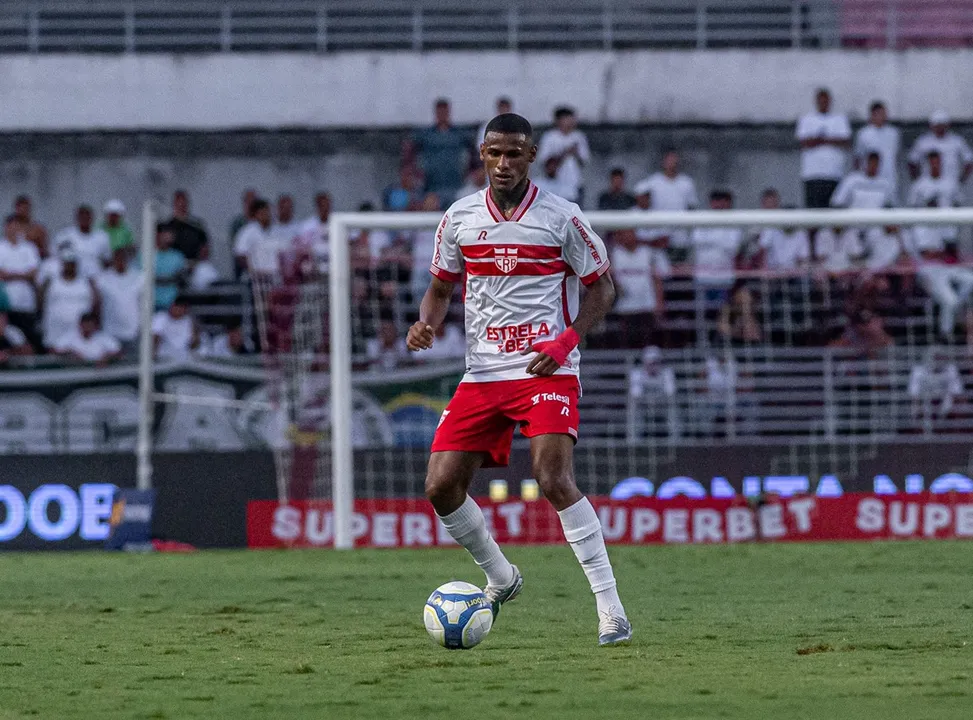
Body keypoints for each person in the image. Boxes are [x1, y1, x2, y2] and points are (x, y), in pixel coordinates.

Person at [406, 112, 630, 645]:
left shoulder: (562, 217)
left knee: (552, 478)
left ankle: (611, 609)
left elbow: (603, 291)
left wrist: (565, 341)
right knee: (440, 487)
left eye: (514, 154)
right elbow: (439, 291)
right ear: (481, 155)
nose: (503, 164)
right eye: (493, 153)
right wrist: (425, 325)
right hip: (482, 372)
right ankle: (502, 577)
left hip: (544, 368)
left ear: (532, 157)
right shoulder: (459, 217)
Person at [608, 228, 668, 348]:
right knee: (627, 340)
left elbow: (657, 280)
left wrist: (659, 303)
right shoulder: (614, 254)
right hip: (625, 306)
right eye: (624, 233)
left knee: (649, 340)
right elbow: (609, 279)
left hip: (647, 304)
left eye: (630, 233)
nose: (627, 236)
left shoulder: (648, 252)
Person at [407, 98, 470, 205]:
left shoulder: (459, 135)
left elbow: (474, 154)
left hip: (456, 185)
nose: (442, 115)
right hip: (432, 187)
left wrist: (470, 172)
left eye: (444, 112)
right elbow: (409, 149)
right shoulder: (426, 135)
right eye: (439, 112)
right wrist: (413, 172)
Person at [796, 88, 852, 208]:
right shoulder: (807, 119)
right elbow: (804, 142)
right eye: (821, 101)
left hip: (834, 173)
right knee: (813, 214)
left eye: (825, 101)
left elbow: (845, 141)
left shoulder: (840, 119)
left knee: (834, 212)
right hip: (813, 174)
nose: (823, 104)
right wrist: (829, 140)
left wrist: (820, 140)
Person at [637, 150, 700, 251]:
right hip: (659, 236)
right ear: (663, 162)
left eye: (674, 160)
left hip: (681, 237)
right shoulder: (654, 181)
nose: (672, 163)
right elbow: (639, 193)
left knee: (680, 265)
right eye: (669, 160)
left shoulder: (687, 182)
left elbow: (692, 206)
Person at [40, 246, 97, 351]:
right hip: (55, 332)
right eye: (67, 263)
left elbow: (95, 304)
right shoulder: (51, 282)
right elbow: (40, 302)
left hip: (79, 335)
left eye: (72, 263)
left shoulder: (86, 283)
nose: (70, 266)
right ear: (63, 263)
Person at [0, 214, 41, 346]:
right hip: (7, 305)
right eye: (11, 226)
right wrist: (23, 274)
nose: (13, 229)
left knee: (27, 339)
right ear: (6, 227)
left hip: (26, 304)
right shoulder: (1, 247)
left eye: (16, 226)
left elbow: (33, 274)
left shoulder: (29, 248)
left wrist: (11, 274)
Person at [536, 106, 590, 205]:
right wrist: (565, 153)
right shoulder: (549, 137)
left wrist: (575, 153)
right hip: (555, 187)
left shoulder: (579, 136)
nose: (571, 122)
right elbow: (545, 162)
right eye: (567, 119)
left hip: (575, 184)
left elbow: (584, 161)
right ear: (559, 121)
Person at [95, 248, 143, 355]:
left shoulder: (139, 277)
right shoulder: (103, 278)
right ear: (113, 260)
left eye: (123, 259)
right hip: (110, 332)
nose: (120, 261)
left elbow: (144, 304)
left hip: (132, 331)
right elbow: (97, 303)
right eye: (117, 259)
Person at [853, 101, 901, 201]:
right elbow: (858, 157)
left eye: (883, 114)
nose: (881, 117)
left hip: (889, 176)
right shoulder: (863, 133)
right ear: (872, 115)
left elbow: (896, 156)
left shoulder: (893, 133)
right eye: (878, 114)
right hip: (870, 179)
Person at [908, 112, 973, 184]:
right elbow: (912, 161)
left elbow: (969, 160)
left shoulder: (957, 141)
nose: (940, 129)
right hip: (927, 183)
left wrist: (963, 178)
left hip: (951, 182)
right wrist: (916, 180)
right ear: (931, 126)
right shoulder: (923, 141)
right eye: (937, 126)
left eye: (942, 126)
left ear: (947, 126)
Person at [52, 205, 111, 278]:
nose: (85, 219)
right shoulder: (66, 235)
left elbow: (107, 260)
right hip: (74, 279)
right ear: (77, 218)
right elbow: (55, 254)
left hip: (96, 277)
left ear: (92, 218)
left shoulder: (102, 236)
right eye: (82, 217)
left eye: (87, 217)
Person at [909, 347, 963, 423]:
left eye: (938, 357)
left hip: (944, 399)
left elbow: (956, 392)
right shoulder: (918, 370)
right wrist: (917, 412)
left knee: (949, 401)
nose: (936, 360)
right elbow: (915, 395)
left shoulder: (951, 369)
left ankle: (943, 423)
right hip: (925, 399)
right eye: (934, 357)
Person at [54, 312, 122, 365]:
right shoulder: (70, 336)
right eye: (85, 324)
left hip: (99, 370)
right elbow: (56, 350)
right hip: (75, 369)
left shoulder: (103, 337)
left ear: (95, 326)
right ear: (80, 324)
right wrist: (70, 353)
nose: (87, 327)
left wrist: (107, 357)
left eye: (90, 325)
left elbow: (118, 351)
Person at [163, 189, 209, 263]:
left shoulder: (197, 225)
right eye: (179, 205)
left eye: (184, 205)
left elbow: (205, 249)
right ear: (174, 205)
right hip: (173, 266)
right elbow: (161, 251)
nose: (182, 207)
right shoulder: (167, 227)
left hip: (194, 265)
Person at [233, 198, 276, 276]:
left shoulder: (276, 230)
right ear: (256, 214)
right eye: (263, 212)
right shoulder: (247, 231)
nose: (266, 215)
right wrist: (252, 270)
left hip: (275, 275)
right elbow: (240, 255)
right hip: (256, 277)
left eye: (268, 212)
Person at [152, 295, 198, 361]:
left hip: (184, 358)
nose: (178, 310)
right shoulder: (161, 317)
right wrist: (153, 355)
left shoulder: (189, 321)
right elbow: (155, 337)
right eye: (177, 307)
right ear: (172, 306)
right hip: (164, 356)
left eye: (183, 309)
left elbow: (193, 344)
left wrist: (196, 334)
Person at [12, 195, 48, 259]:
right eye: (21, 209)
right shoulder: (10, 228)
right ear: (16, 208)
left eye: (26, 209)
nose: (24, 211)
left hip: (33, 261)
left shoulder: (38, 229)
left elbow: (45, 251)